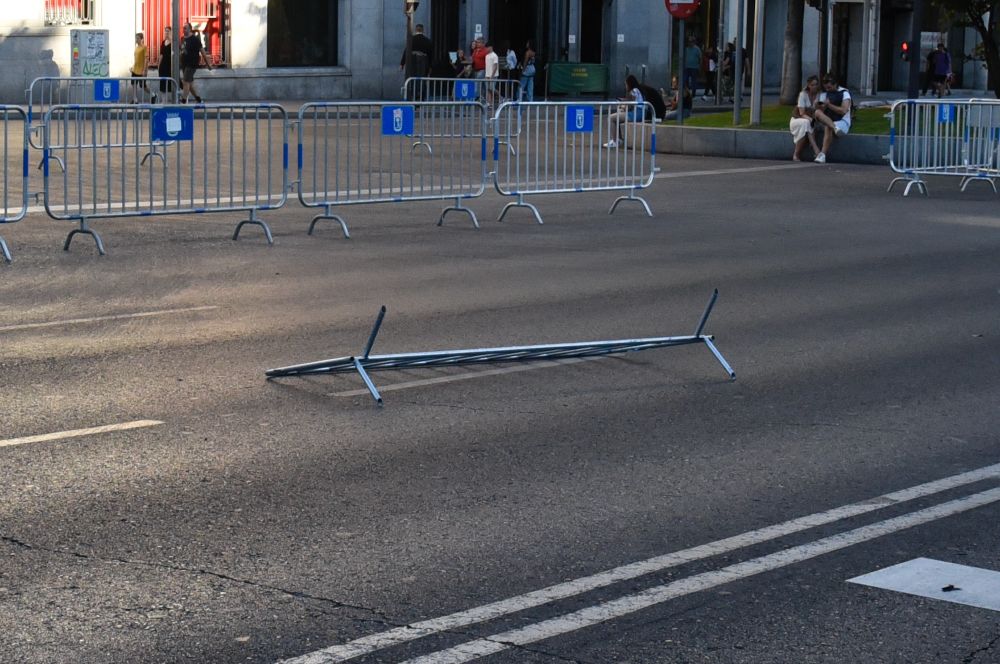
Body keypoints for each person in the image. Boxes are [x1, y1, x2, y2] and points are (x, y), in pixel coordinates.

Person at [812, 73, 852, 164]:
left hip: (842, 122)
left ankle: (822, 155)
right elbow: (820, 112)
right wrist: (817, 105)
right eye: (826, 87)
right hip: (831, 121)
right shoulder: (825, 94)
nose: (827, 89)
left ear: (835, 84)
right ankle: (834, 127)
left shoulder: (844, 93)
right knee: (817, 113)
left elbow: (843, 111)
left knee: (828, 126)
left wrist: (829, 105)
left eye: (829, 87)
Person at [604, 74, 645, 149]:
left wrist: (622, 106)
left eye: (626, 84)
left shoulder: (634, 91)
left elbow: (630, 106)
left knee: (611, 118)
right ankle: (618, 140)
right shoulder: (638, 90)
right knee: (617, 115)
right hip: (639, 113)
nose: (626, 86)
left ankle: (615, 141)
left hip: (636, 114)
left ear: (630, 84)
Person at [789, 75, 822, 161]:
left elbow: (820, 110)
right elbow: (802, 113)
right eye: (812, 85)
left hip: (809, 123)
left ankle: (796, 154)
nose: (814, 87)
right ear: (808, 85)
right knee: (806, 123)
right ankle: (816, 150)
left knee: (806, 125)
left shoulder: (820, 95)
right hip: (797, 120)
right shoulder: (803, 95)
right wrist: (811, 120)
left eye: (816, 84)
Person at [180, 22, 211, 103]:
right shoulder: (182, 39)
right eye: (183, 28)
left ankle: (183, 101)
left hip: (192, 64)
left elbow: (203, 52)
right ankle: (199, 99)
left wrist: (208, 64)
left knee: (185, 81)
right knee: (189, 84)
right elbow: (182, 50)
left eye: (185, 28)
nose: (184, 29)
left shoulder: (195, 39)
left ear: (190, 29)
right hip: (184, 63)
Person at [129, 32, 153, 103]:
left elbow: (146, 59)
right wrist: (132, 67)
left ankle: (153, 94)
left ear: (141, 39)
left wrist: (144, 70)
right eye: (136, 38)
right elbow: (136, 59)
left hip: (141, 70)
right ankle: (135, 99)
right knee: (133, 84)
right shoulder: (136, 48)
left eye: (138, 38)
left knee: (143, 86)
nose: (136, 39)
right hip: (135, 70)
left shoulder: (144, 47)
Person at [157, 26, 173, 100]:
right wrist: (158, 65)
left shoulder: (173, 42)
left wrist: (170, 39)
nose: (166, 32)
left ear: (171, 32)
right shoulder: (163, 42)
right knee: (163, 83)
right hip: (163, 65)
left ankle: (179, 99)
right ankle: (164, 101)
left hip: (170, 65)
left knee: (171, 83)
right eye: (165, 31)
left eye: (168, 31)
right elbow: (161, 54)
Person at [483, 40, 499, 106]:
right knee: (488, 89)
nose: (486, 49)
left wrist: (492, 75)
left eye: (487, 47)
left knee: (492, 88)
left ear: (490, 47)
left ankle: (501, 97)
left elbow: (495, 66)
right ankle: (489, 103)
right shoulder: (486, 56)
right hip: (487, 75)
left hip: (493, 75)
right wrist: (486, 75)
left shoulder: (495, 55)